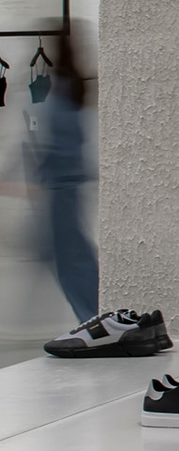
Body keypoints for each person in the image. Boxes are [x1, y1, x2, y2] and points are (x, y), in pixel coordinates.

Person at [27, 29, 98, 322]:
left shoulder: (60, 93)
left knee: (67, 258)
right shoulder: (74, 88)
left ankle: (91, 315)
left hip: (60, 188)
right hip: (70, 186)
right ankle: (91, 313)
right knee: (74, 256)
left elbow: (54, 145)